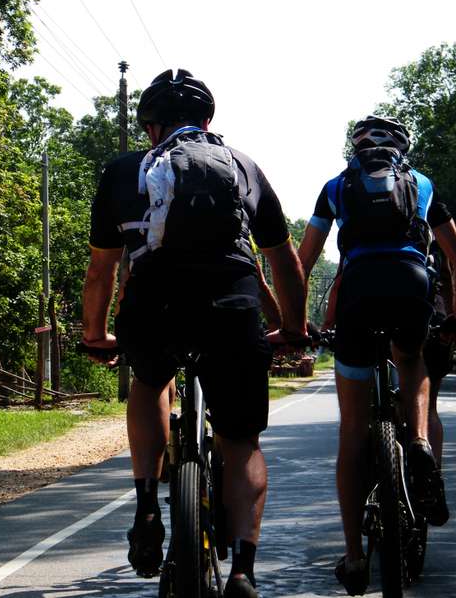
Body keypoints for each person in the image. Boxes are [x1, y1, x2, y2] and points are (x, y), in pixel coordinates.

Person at [80, 68, 308, 598]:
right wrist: (293, 329)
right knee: (241, 441)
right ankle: (244, 571)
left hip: (153, 306)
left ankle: (146, 507)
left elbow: (101, 271)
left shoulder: (123, 172)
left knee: (150, 381)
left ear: (150, 127)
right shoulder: (243, 166)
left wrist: (94, 335)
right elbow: (284, 261)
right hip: (231, 306)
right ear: (208, 121)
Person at [296, 115, 456, 595]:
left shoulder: (336, 187)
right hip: (411, 284)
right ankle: (418, 442)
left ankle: (355, 557)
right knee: (411, 358)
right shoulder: (421, 185)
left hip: (357, 290)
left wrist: (297, 322)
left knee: (352, 430)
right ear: (402, 150)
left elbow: (302, 262)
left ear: (355, 150)